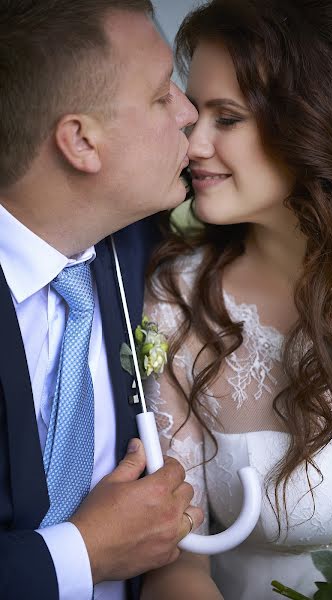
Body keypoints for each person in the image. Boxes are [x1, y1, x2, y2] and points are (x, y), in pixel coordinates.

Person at [141, 0, 332, 598]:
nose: (193, 143)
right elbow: (176, 563)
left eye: (225, 118)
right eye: (192, 112)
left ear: (312, 122)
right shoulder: (179, 301)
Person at [0, 1, 202, 599]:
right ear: (81, 141)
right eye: (162, 95)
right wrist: (79, 554)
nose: (188, 112)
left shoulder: (136, 241)